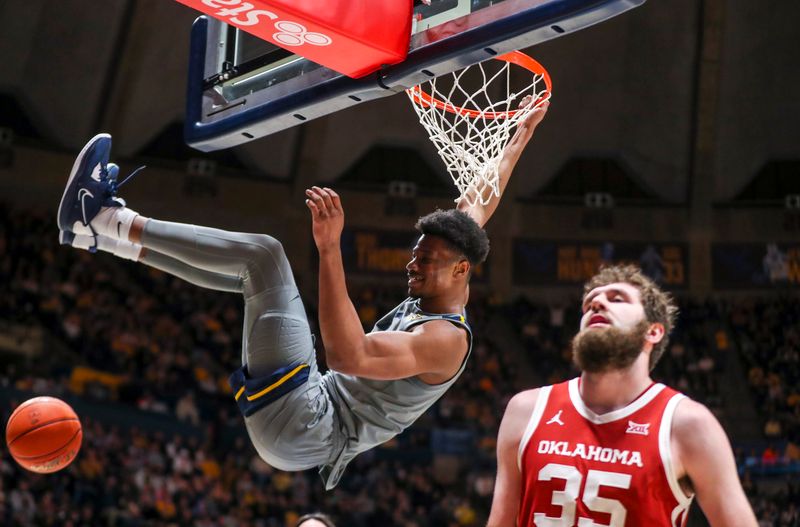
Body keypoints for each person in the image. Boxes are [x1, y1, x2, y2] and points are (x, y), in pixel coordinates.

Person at [56, 101, 549, 490]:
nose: (412, 264)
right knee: (247, 278)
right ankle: (98, 236)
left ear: (462, 269)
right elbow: (477, 202)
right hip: (300, 425)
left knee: (266, 257)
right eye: (416, 254)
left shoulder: (446, 340)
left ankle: (105, 217)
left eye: (426, 260)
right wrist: (519, 137)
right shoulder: (448, 273)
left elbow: (347, 354)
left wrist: (330, 249)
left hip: (311, 421)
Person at [487, 265, 758, 527]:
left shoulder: (687, 424)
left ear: (653, 330)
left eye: (617, 299)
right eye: (589, 303)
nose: (597, 304)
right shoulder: (527, 409)